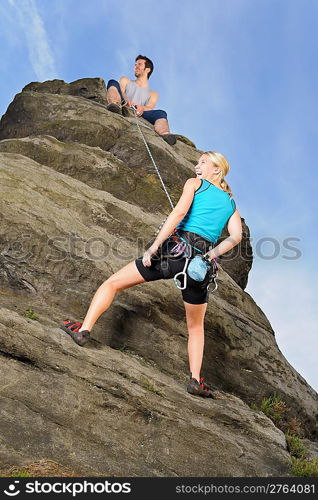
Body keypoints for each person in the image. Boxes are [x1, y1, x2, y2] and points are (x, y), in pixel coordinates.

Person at [61, 152, 242, 398]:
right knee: (196, 326)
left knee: (112, 283)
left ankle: (84, 330)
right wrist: (209, 257)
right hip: (198, 267)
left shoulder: (195, 184)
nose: (196, 166)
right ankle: (195, 380)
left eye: (202, 162)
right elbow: (235, 237)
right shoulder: (230, 203)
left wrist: (155, 246)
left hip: (173, 253)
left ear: (216, 170)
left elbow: (178, 214)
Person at [106, 54, 176, 146]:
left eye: (139, 64)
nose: (135, 67)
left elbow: (150, 107)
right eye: (135, 65)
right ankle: (114, 104)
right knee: (113, 83)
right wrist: (127, 100)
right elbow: (122, 91)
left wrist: (141, 108)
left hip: (141, 112)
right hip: (124, 102)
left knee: (161, 113)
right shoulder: (125, 80)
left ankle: (165, 133)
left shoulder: (153, 94)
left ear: (147, 69)